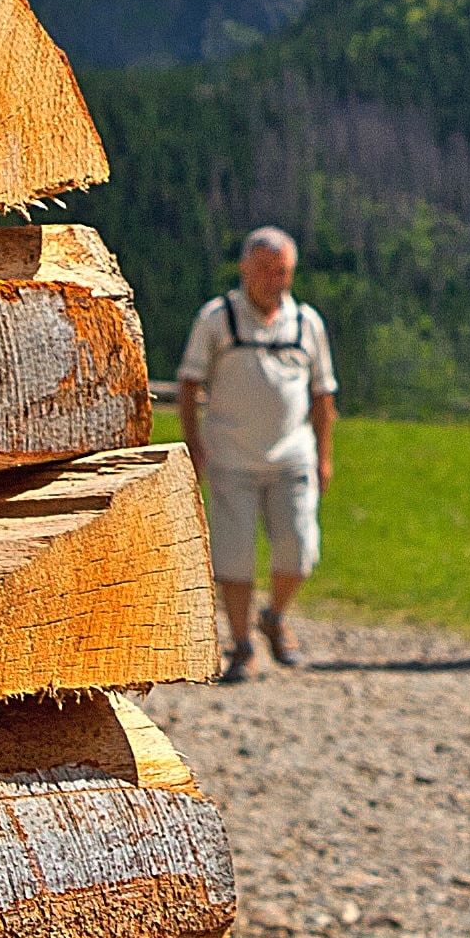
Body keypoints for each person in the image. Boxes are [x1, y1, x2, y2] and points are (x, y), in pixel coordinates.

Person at [172, 225, 333, 682]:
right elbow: (189, 383)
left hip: (292, 457)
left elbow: (324, 395)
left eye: (280, 271)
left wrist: (325, 455)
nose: (272, 279)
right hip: (230, 458)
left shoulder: (308, 324)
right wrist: (194, 445)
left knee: (300, 551)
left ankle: (275, 616)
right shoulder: (216, 319)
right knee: (233, 557)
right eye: (263, 269)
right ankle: (241, 642)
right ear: (244, 268)